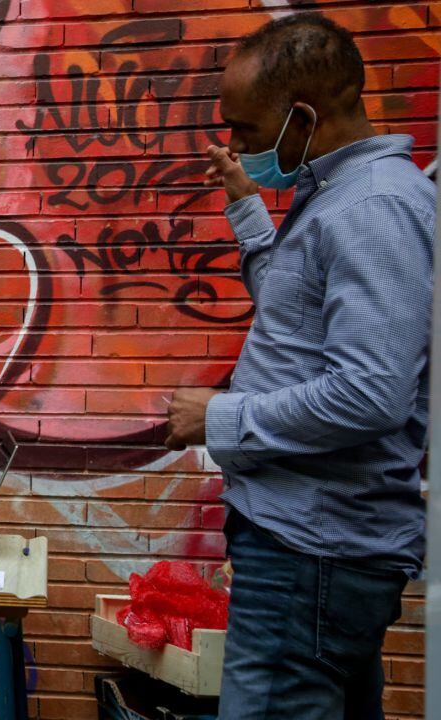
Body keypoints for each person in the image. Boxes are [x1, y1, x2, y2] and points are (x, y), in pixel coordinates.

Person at [164, 14, 434, 720]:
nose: (237, 144)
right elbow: (294, 309)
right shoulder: (336, 196)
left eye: (247, 128)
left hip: (310, 556)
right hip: (309, 551)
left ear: (304, 117)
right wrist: (248, 211)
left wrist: (217, 418)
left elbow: (371, 394)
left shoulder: (374, 209)